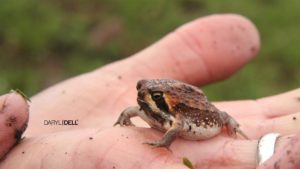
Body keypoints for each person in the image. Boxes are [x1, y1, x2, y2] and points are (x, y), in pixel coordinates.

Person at [0, 14, 299, 169]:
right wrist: (123, 122)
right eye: (142, 92)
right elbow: (130, 112)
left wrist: (163, 145)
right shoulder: (144, 109)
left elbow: (176, 127)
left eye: (151, 97)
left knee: (224, 116)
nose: (142, 99)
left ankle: (235, 125)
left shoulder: (174, 120)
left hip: (208, 116)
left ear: (163, 103)